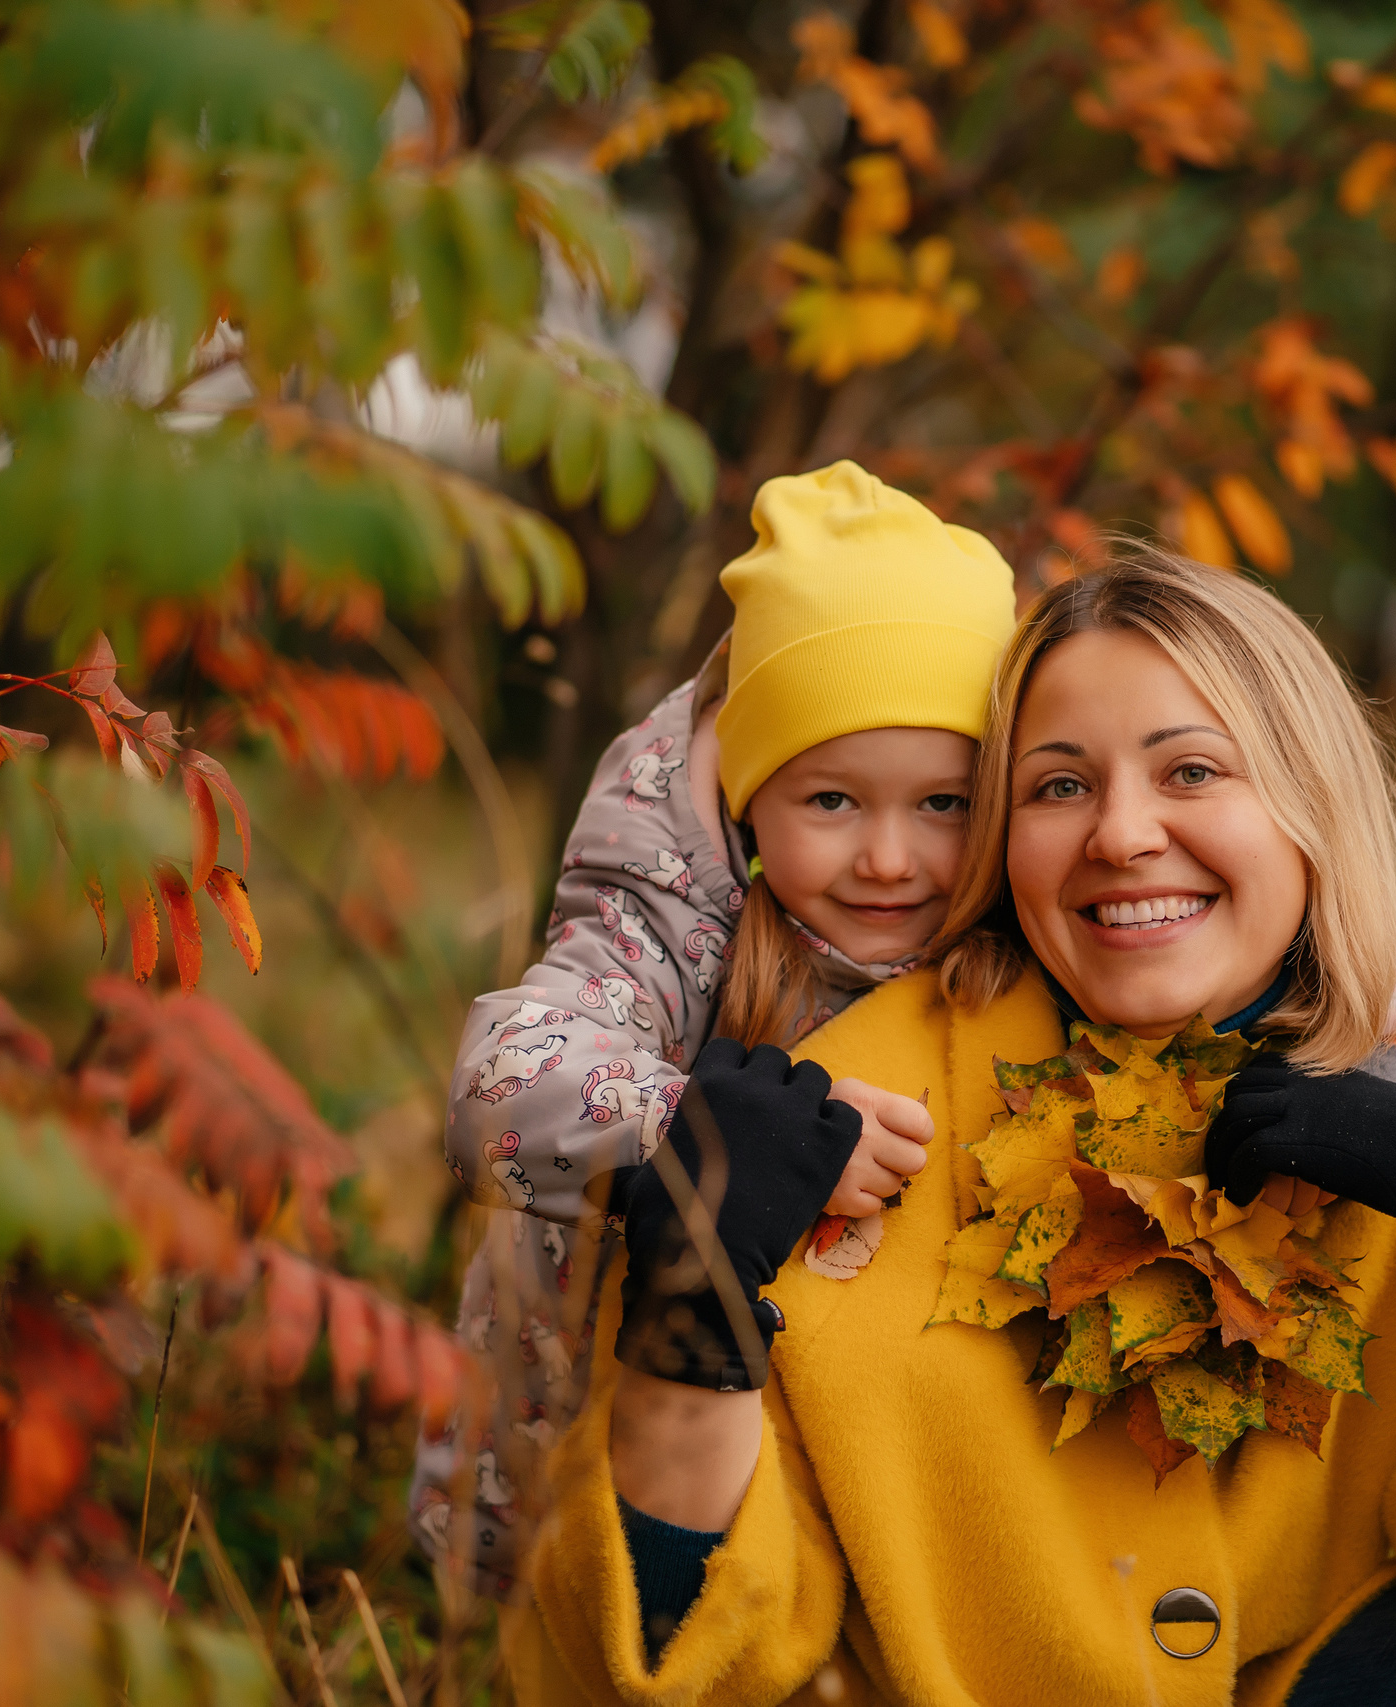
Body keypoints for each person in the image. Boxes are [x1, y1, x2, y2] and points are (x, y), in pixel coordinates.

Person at [508, 552, 1396, 1705]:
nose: (1121, 833)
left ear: (1309, 810)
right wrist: (691, 1316)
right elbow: (650, 1674)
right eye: (1058, 786)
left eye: (1190, 771)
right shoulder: (828, 1123)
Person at [413, 461, 1022, 1585]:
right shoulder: (674, 927)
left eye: (944, 802)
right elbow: (496, 1093)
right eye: (830, 800)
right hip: (589, 1464)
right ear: (747, 797)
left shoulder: (1015, 918)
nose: (890, 859)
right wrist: (696, 1130)